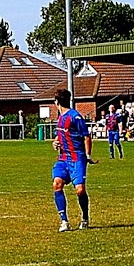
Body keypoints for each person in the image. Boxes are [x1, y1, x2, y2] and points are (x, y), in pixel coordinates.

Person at [51, 89, 94, 231]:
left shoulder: (75, 117)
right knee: (57, 184)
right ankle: (64, 221)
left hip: (77, 158)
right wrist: (55, 142)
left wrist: (87, 155)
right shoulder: (60, 118)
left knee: (80, 190)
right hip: (63, 158)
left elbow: (86, 136)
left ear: (56, 102)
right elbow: (60, 136)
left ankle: (85, 218)